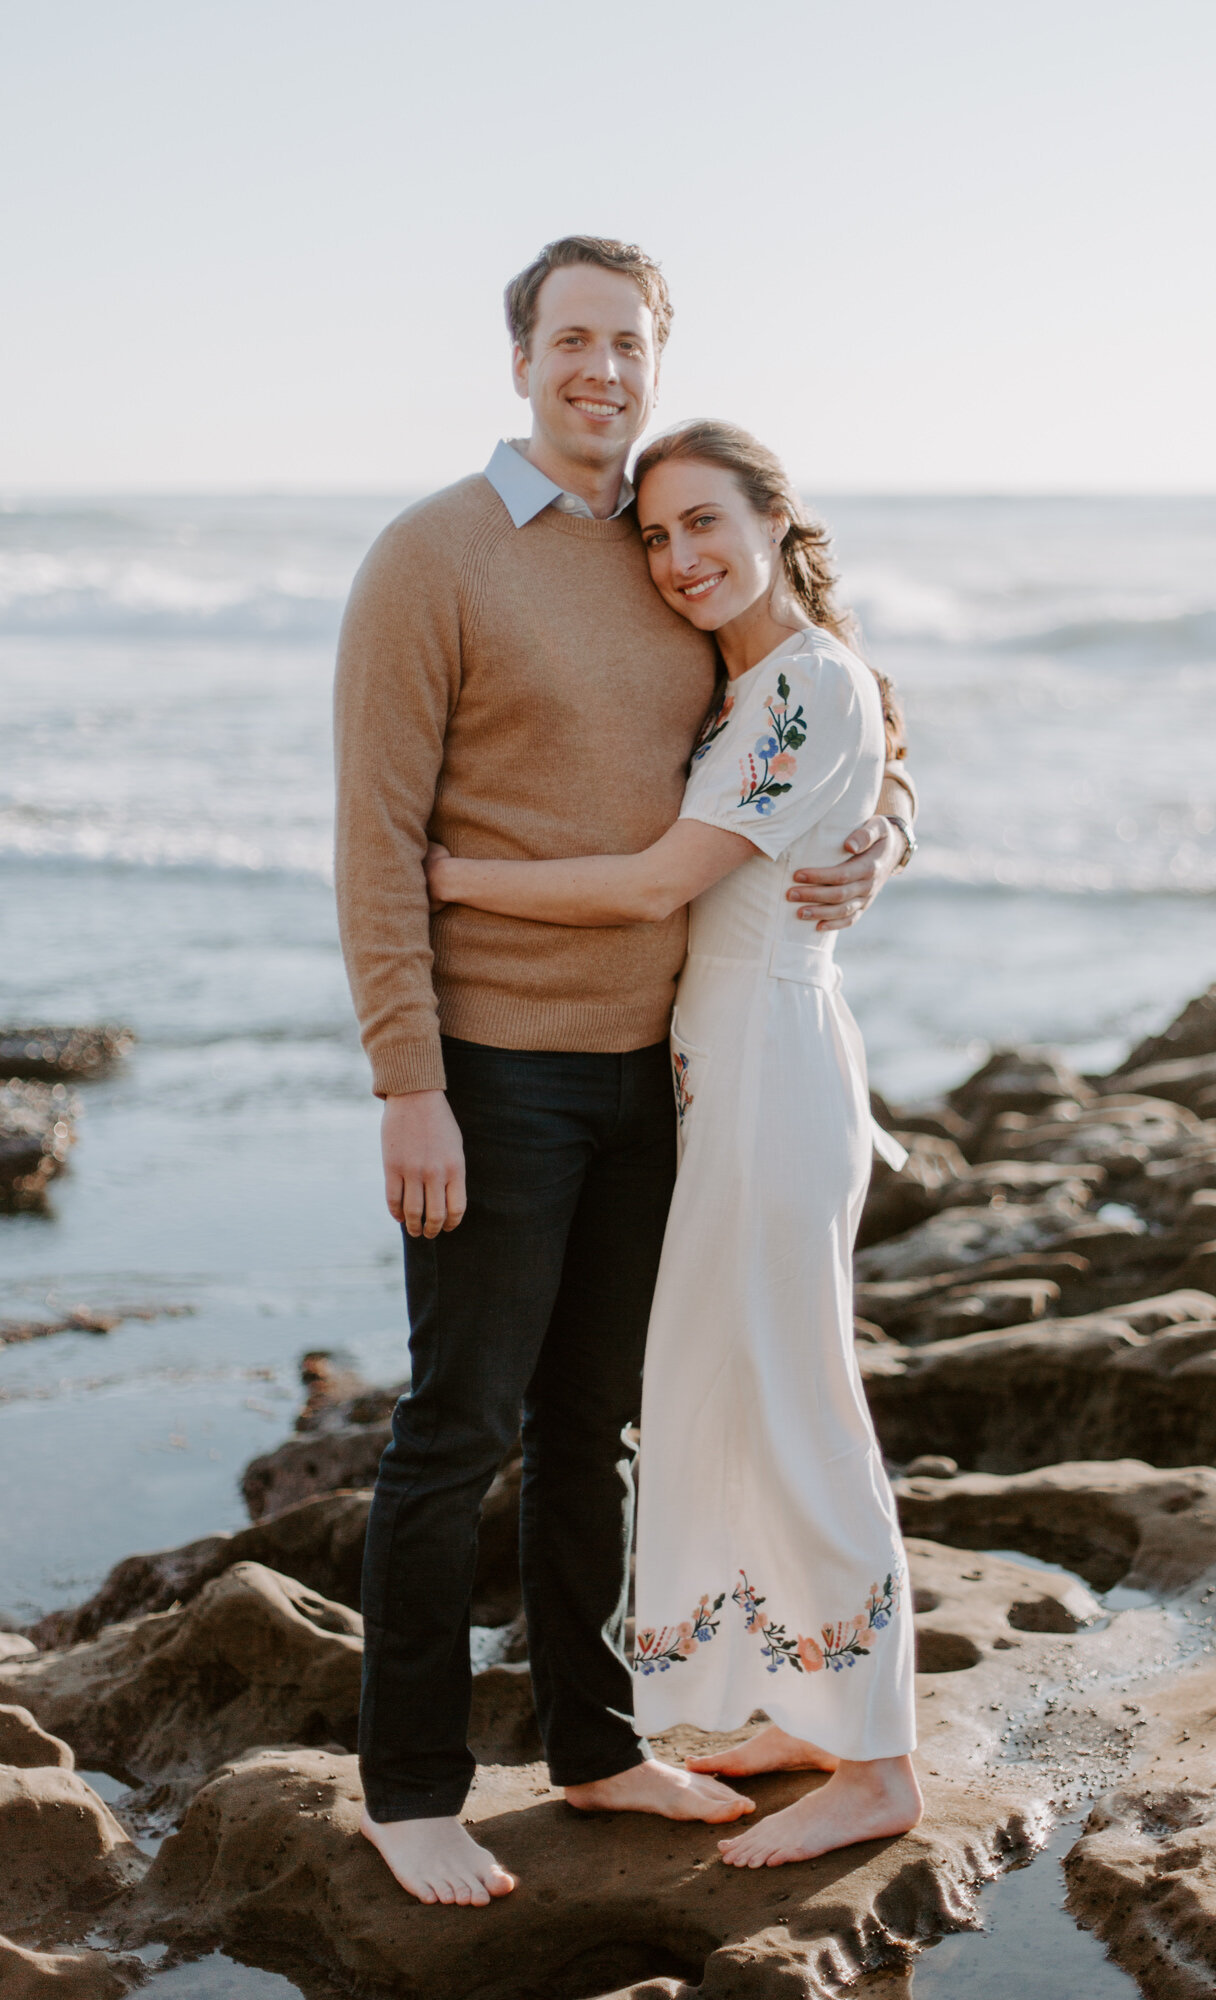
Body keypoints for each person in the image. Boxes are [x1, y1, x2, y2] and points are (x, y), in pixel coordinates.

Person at [333, 236, 916, 1907]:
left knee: (590, 1427)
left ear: (658, 362)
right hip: (495, 1071)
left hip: (660, 1077)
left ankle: (592, 1747)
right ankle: (414, 1788)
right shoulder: (431, 556)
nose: (600, 367)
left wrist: (882, 833)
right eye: (571, 338)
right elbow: (374, 837)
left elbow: (822, 714)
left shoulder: (673, 563)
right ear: (521, 354)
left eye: (628, 341)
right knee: (452, 1430)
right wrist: (406, 1077)